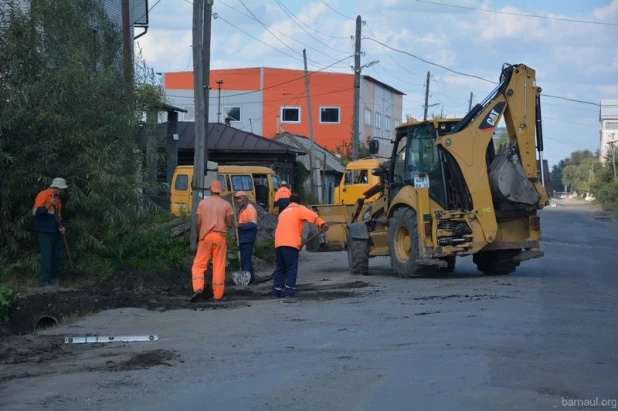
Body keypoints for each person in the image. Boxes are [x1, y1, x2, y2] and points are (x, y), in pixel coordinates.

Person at [272, 194, 328, 298]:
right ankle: (289, 292)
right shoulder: (299, 208)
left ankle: (276, 292)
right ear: (300, 202)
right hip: (290, 244)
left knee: (280, 268)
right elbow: (312, 216)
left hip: (279, 243)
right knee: (291, 268)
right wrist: (322, 224)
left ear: (290, 201)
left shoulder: (283, 212)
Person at [191, 180, 234, 302]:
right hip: (220, 237)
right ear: (220, 190)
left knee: (199, 264)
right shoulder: (226, 205)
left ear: (210, 189)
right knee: (219, 266)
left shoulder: (203, 203)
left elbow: (198, 222)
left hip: (206, 236)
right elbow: (230, 224)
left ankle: (198, 288)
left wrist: (200, 236)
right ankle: (218, 295)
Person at [32, 177, 68, 287]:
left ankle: (51, 279)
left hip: (55, 230)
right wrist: (48, 205)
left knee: (58, 254)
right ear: (55, 187)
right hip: (44, 230)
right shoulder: (43, 194)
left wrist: (61, 227)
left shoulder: (58, 199)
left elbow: (57, 216)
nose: (62, 191)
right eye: (61, 189)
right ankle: (43, 282)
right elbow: (35, 213)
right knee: (47, 256)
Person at [234, 190, 258, 284]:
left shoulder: (250, 209)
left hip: (248, 239)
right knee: (246, 260)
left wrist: (240, 226)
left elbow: (253, 224)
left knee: (246, 261)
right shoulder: (242, 209)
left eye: (239, 198)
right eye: (236, 199)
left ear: (244, 198)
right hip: (243, 238)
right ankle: (251, 280)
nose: (237, 201)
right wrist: (236, 236)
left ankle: (246, 281)